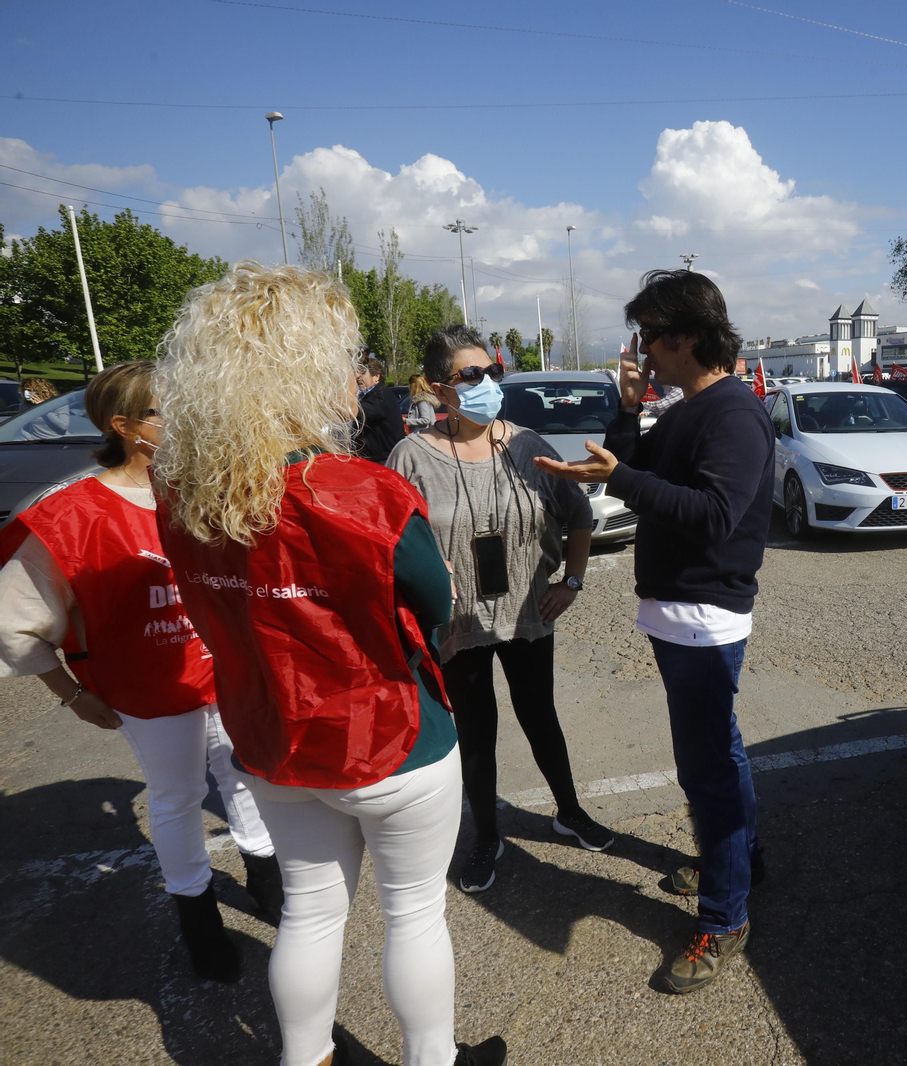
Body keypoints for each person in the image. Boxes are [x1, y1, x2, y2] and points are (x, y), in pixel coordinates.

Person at [153, 262, 505, 1066]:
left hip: (273, 739)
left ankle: (304, 1058)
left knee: (312, 910)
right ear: (304, 370)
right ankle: (432, 1059)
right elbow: (436, 601)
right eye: (342, 359)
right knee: (414, 910)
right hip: (388, 735)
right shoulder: (362, 489)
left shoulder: (185, 495)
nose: (354, 377)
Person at [0, 360, 280, 983]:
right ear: (123, 426)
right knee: (178, 797)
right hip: (148, 690)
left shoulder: (206, 490)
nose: (181, 420)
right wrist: (71, 694)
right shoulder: (71, 514)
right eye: (163, 411)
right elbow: (13, 623)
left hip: (225, 675)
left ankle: (267, 881)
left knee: (242, 777)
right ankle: (199, 920)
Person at [534, 269, 774, 995]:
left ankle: (726, 915)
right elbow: (629, 469)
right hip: (680, 616)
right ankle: (740, 858)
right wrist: (628, 412)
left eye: (649, 336)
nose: (641, 350)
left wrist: (626, 479)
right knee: (718, 750)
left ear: (687, 337)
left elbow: (713, 515)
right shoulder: (684, 408)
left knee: (705, 766)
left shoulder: (732, 413)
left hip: (704, 617)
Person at [387, 324, 613, 895]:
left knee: (542, 717)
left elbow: (579, 517)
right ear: (441, 389)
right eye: (472, 375)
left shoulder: (529, 444)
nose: (488, 383)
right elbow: (390, 547)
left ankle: (569, 811)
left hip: (528, 611)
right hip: (458, 627)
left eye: (493, 372)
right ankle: (486, 835)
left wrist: (574, 581)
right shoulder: (409, 458)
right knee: (478, 732)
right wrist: (425, 598)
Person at [354, 352, 405, 462]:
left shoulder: (380, 394)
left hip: (385, 460)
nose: (358, 376)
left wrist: (346, 402)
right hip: (372, 459)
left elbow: (365, 412)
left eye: (362, 372)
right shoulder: (367, 395)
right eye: (356, 372)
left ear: (376, 376)